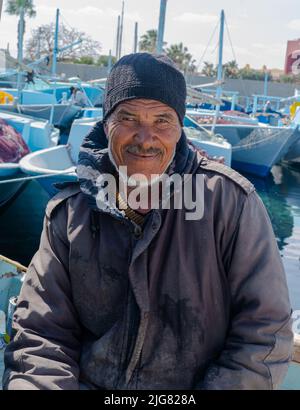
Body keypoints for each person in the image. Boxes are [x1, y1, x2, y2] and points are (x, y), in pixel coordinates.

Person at [3, 53, 293, 390]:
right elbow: (42, 338)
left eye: (162, 120)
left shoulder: (231, 204)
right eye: (128, 118)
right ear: (106, 122)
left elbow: (264, 334)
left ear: (180, 128)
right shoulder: (69, 214)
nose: (145, 137)